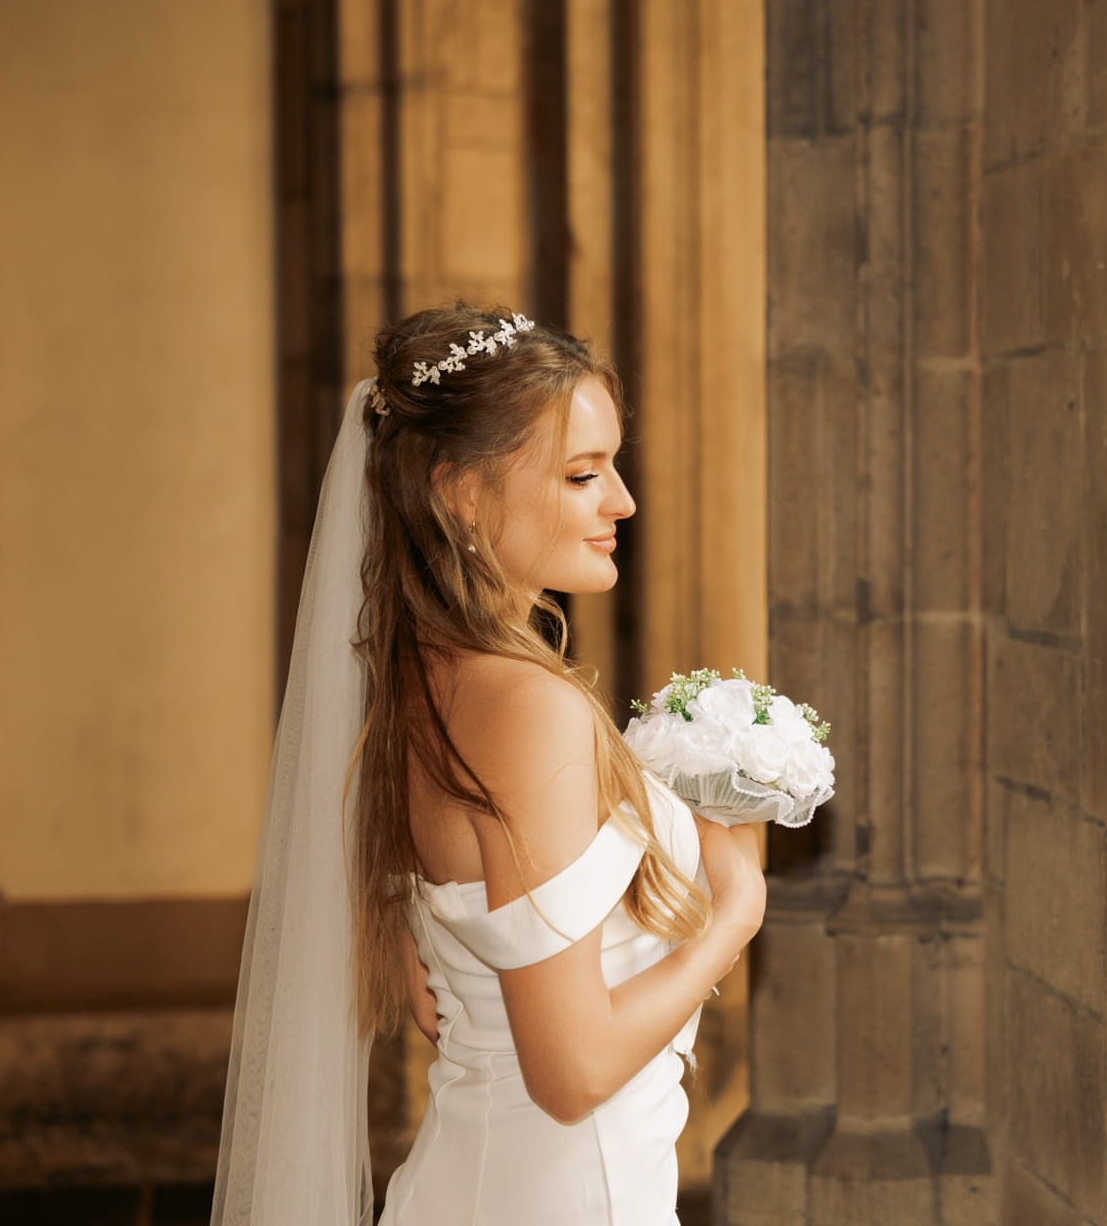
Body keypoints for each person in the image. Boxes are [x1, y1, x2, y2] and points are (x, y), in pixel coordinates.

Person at [211, 302, 767, 1226]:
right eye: (584, 474)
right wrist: (735, 913)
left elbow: (444, 904)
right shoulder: (526, 707)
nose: (622, 500)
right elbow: (573, 1073)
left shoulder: (418, 681)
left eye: (613, 467)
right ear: (463, 494)